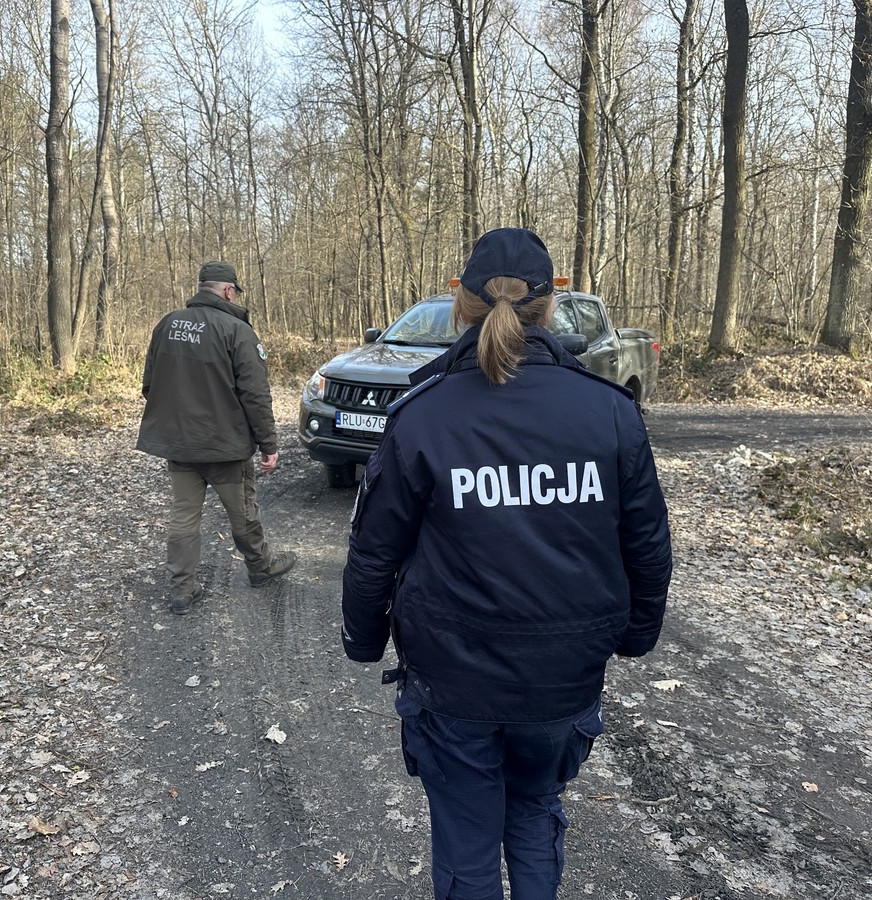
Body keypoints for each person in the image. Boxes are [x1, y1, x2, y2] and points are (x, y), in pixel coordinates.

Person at [340, 228, 673, 900]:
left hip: (454, 681)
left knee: (466, 837)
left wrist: (362, 639)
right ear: (550, 308)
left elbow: (375, 549)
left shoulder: (425, 413)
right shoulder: (610, 414)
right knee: (533, 811)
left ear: (460, 304)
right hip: (562, 680)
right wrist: (635, 636)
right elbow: (647, 546)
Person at [137, 260, 297, 614]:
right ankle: (260, 567)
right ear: (227, 291)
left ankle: (182, 589)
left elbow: (150, 384)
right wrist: (268, 445)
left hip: (180, 446)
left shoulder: (167, 324)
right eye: (235, 291)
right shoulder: (237, 331)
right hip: (225, 447)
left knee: (183, 516)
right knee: (242, 513)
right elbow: (255, 395)